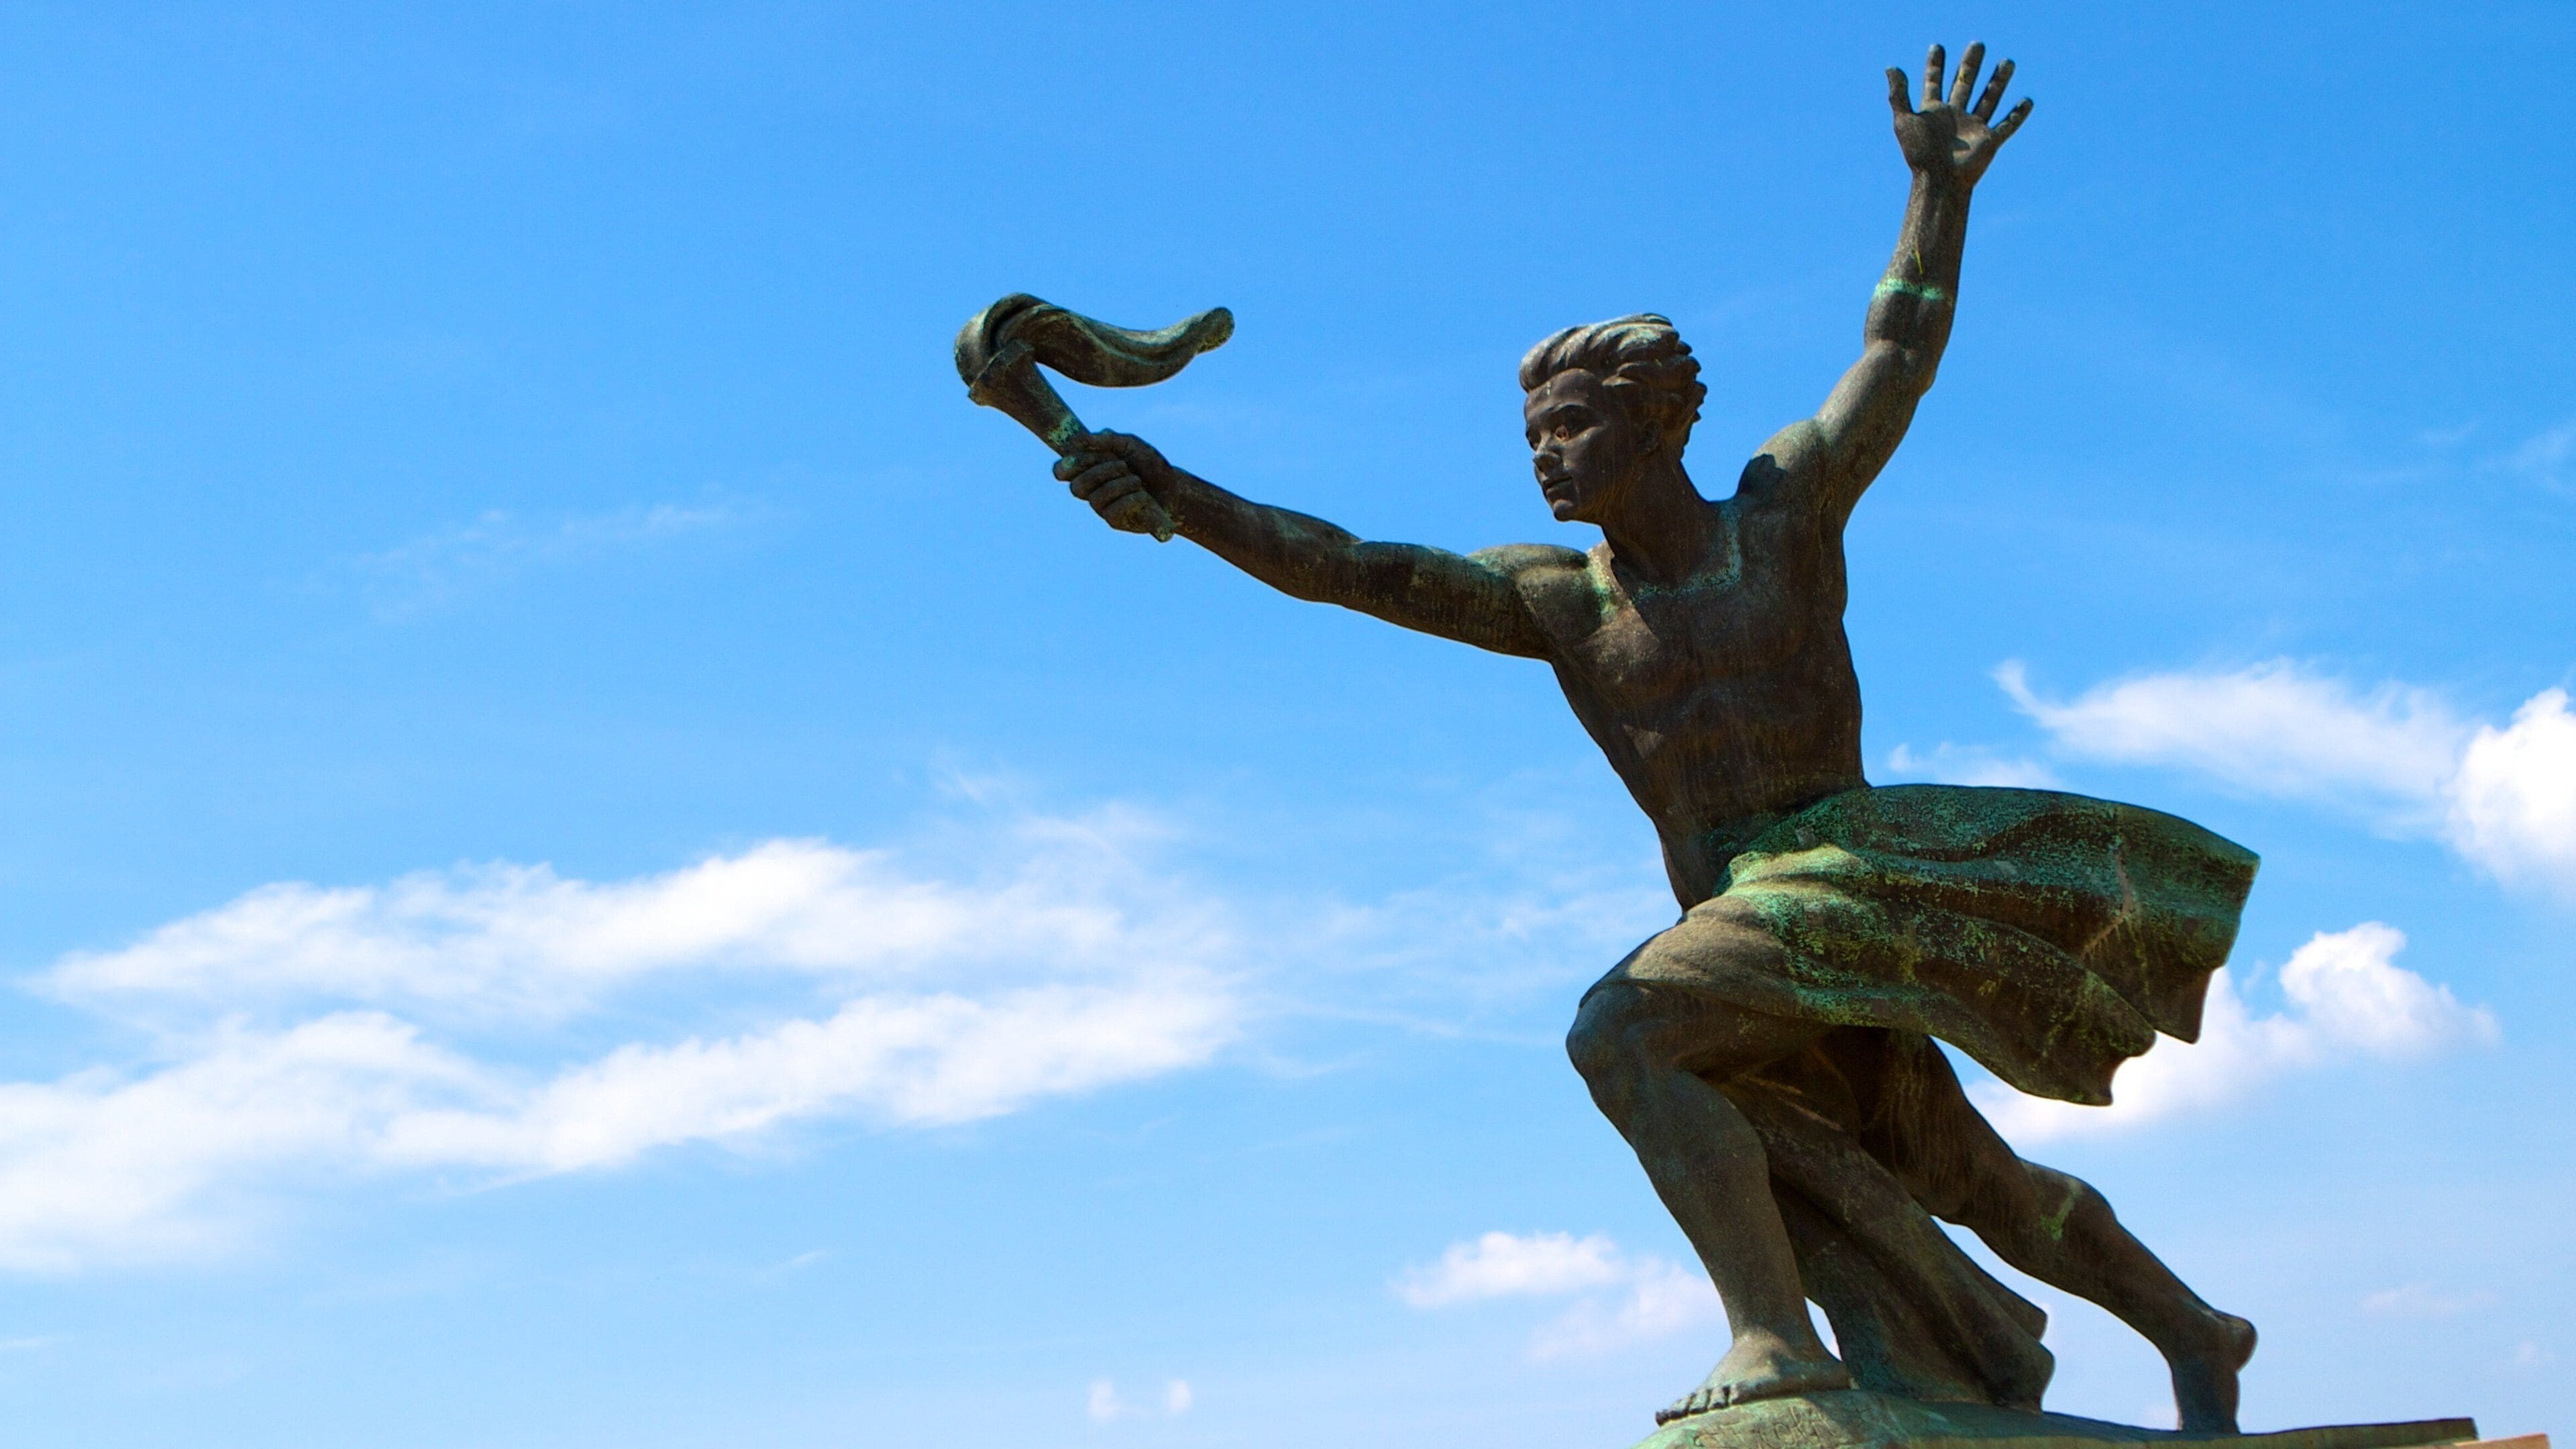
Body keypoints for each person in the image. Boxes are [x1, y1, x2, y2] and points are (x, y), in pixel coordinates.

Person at [1049, 44, 2256, 1430]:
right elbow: (1349, 566)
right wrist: (1177, 494)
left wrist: (1938, 192)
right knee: (1958, 1170)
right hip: (1747, 921)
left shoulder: (1783, 517)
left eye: (1571, 425)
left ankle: (1774, 1337)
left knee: (1623, 1032)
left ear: (1657, 421)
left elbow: (1895, 357)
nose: (1543, 453)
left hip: (1849, 878)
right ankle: (2194, 1329)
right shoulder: (1557, 599)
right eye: (1534, 433)